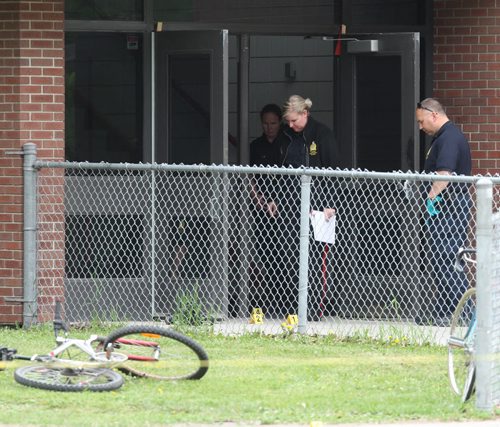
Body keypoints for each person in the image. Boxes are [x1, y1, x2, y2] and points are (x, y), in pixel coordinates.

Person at [279, 95, 340, 321]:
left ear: (304, 114)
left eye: (294, 121)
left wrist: (330, 203)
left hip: (317, 206)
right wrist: (277, 198)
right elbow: (281, 168)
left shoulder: (322, 135)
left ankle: (314, 309)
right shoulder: (287, 137)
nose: (291, 125)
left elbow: (334, 170)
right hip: (291, 204)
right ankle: (295, 305)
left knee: (316, 259)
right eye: (288, 122)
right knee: (291, 255)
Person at [415, 98, 472, 326]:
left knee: (447, 258)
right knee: (440, 260)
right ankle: (443, 310)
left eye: (421, 121)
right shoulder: (444, 137)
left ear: (434, 114)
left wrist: (430, 199)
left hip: (450, 206)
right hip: (447, 207)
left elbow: (444, 174)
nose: (420, 127)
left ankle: (464, 312)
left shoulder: (449, 138)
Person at [248, 104, 288, 314]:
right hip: (262, 210)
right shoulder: (255, 146)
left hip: (284, 209)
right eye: (265, 123)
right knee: (267, 255)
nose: (269, 127)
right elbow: (250, 177)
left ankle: (287, 301)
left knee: (285, 255)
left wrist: (282, 201)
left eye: (273, 123)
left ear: (280, 122)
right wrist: (260, 202)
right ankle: (272, 299)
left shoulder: (288, 143)